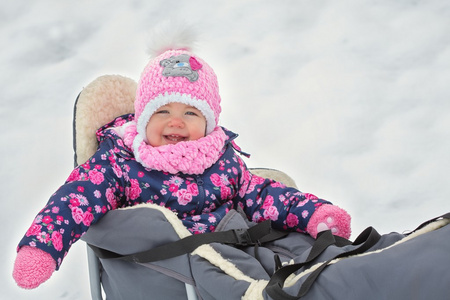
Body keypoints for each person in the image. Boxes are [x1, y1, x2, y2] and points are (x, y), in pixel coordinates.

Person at [13, 26, 351, 289]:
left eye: (191, 112)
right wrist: (41, 249)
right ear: (143, 119)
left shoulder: (221, 158)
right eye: (163, 111)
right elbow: (76, 199)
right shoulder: (121, 164)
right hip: (179, 269)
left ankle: (348, 266)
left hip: (241, 245)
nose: (176, 122)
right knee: (265, 283)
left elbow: (262, 195)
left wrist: (312, 213)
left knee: (315, 263)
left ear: (208, 122)